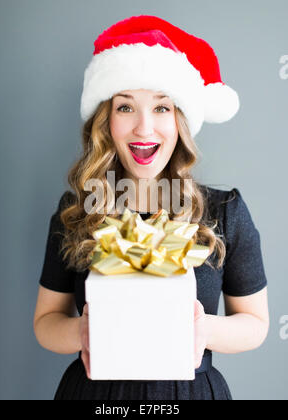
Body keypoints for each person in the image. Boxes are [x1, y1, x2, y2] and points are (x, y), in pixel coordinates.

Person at [33, 15, 269, 400]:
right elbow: (46, 322)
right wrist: (84, 331)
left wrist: (200, 329)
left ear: (181, 121)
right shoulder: (77, 211)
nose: (144, 128)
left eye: (161, 108)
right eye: (126, 107)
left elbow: (256, 324)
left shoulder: (225, 210)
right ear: (106, 121)